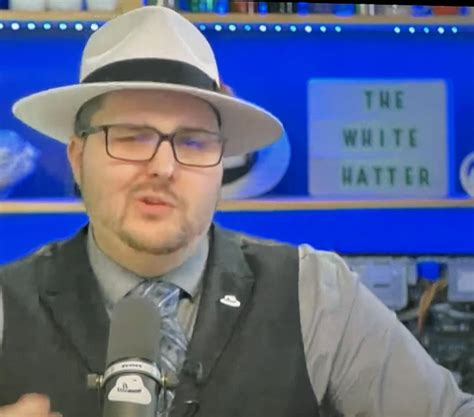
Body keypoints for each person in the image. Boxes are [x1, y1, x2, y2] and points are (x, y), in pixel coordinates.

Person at [0, 6, 473, 417]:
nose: (163, 167)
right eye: (130, 137)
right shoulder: (6, 305)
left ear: (220, 164)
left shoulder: (317, 295)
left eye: (192, 141)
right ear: (78, 157)